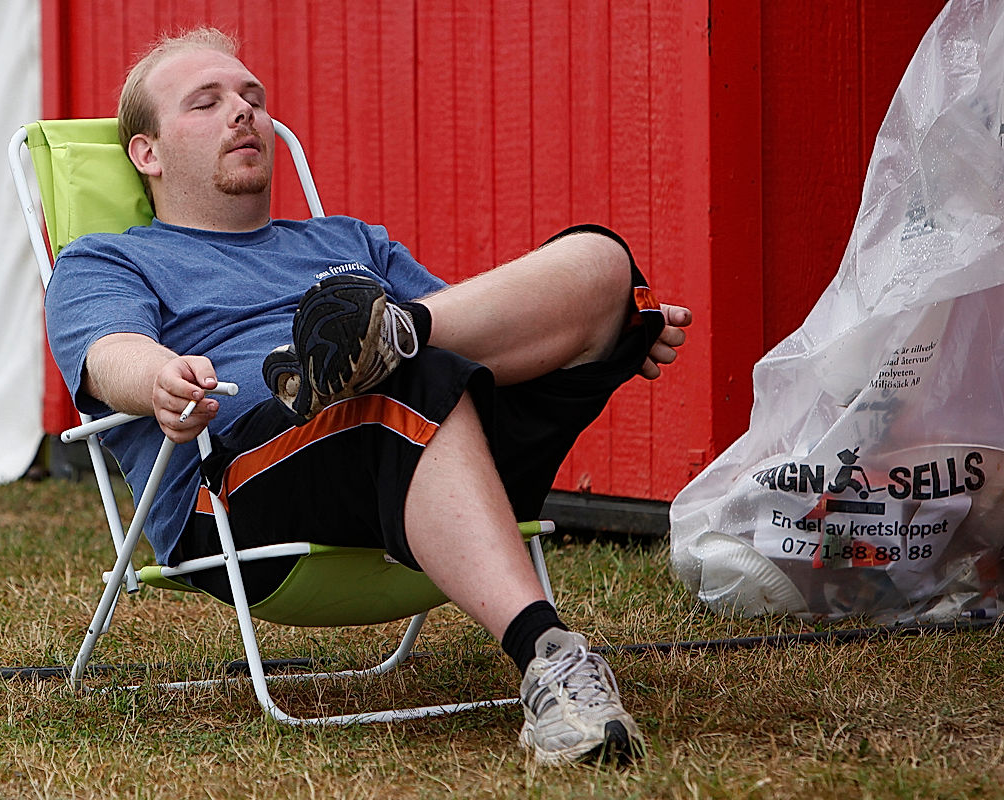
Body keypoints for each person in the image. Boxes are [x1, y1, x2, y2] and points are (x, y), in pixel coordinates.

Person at [44, 26, 691, 766]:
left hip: (424, 436)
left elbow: (474, 339)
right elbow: (107, 354)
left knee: (601, 259)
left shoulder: (350, 241)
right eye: (207, 102)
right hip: (240, 484)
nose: (244, 112)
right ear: (147, 154)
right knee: (410, 385)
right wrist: (159, 376)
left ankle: (389, 337)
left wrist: (598, 323)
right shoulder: (110, 258)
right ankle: (548, 655)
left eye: (252, 97)